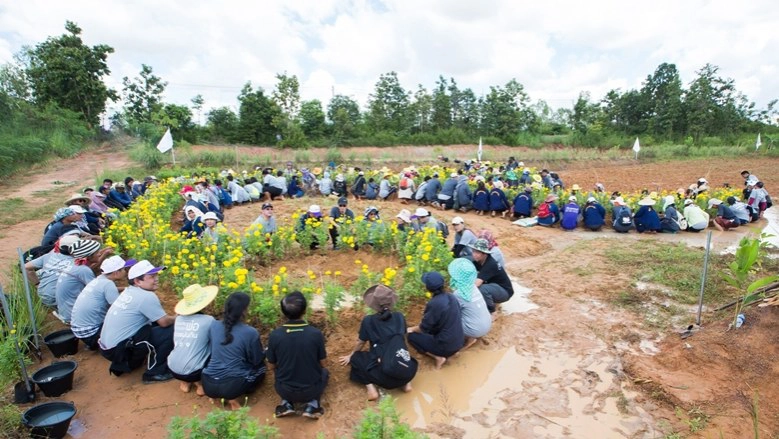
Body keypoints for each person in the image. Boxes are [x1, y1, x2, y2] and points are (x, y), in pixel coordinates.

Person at [98, 260, 176, 383]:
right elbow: (164, 322)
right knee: (170, 331)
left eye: (156, 275)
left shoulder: (129, 291)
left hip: (108, 348)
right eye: (151, 277)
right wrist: (179, 317)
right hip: (120, 351)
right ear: (138, 281)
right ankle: (154, 373)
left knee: (152, 324)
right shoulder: (146, 297)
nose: (156, 279)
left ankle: (136, 359)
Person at [338, 285, 416, 401]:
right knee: (399, 354)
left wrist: (351, 355)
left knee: (357, 358)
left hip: (387, 379)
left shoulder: (369, 321)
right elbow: (402, 339)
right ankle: (406, 384)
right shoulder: (399, 316)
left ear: (373, 304)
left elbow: (360, 343)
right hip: (408, 372)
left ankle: (371, 390)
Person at [267, 291, 328, 419]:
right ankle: (312, 405)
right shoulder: (315, 334)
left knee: (279, 373)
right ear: (305, 311)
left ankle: (286, 403)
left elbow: (271, 366)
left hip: (284, 389)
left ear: (283, 313)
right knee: (325, 373)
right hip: (311, 390)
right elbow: (323, 364)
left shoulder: (275, 335)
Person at [202, 292, 265, 409]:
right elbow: (256, 360)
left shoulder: (214, 325)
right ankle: (232, 399)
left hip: (208, 382)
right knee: (261, 368)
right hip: (232, 386)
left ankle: (214, 397)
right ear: (244, 311)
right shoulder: (250, 332)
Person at [71, 256, 135, 350]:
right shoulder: (108, 284)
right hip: (91, 333)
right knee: (128, 323)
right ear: (116, 272)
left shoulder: (99, 280)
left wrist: (125, 289)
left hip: (80, 331)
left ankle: (93, 344)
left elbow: (108, 291)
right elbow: (119, 309)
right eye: (124, 269)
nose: (125, 271)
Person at [407, 272, 464, 369]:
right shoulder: (451, 296)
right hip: (459, 341)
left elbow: (423, 328)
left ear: (428, 288)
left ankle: (438, 357)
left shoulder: (434, 304)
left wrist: (410, 329)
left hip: (445, 346)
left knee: (411, 337)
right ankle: (454, 352)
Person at [168, 284, 217, 396]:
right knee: (211, 346)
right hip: (195, 371)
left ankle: (184, 383)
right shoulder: (208, 320)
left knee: (186, 344)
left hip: (172, 367)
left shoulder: (179, 319)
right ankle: (200, 384)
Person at [54, 239, 103, 324]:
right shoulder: (83, 270)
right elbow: (98, 291)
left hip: (66, 311)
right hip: (73, 316)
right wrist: (124, 289)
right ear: (89, 256)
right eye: (97, 252)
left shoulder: (74, 265)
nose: (100, 254)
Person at [25, 236, 81, 307]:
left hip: (43, 296)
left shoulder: (50, 255)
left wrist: (37, 284)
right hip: (59, 300)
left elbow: (26, 267)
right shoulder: (77, 263)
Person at [448, 258, 491, 350]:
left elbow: (453, 313)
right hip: (488, 324)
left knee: (449, 320)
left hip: (475, 330)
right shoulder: (473, 287)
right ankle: (474, 334)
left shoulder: (459, 294)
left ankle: (467, 338)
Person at [469, 239, 514, 313]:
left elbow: (476, 284)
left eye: (477, 252)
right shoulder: (478, 261)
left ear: (484, 254)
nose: (474, 254)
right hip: (495, 286)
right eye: (473, 251)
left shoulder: (490, 264)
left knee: (482, 289)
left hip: (505, 291)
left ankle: (491, 311)